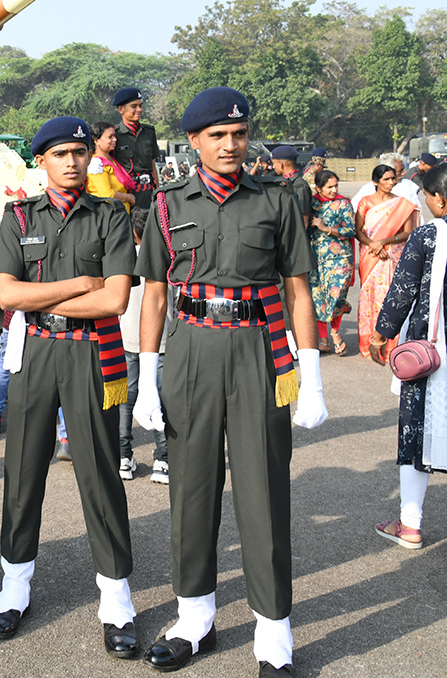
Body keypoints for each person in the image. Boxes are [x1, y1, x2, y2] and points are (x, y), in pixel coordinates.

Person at [135, 87, 327, 678]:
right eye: (216, 135)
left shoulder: (277, 199)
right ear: (194, 141)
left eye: (239, 134)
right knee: (191, 490)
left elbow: (297, 290)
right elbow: (155, 295)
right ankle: (194, 618)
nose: (230, 144)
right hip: (190, 348)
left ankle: (273, 631)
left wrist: (313, 376)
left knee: (263, 490)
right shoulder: (166, 205)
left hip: (257, 350)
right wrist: (148, 379)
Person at [0, 117, 138, 654]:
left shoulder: (110, 216)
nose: (71, 161)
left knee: (100, 472)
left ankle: (116, 598)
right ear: (41, 161)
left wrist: (43, 294)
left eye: (78, 151)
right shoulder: (18, 216)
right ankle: (14, 587)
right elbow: (7, 296)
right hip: (35, 351)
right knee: (23, 470)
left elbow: (114, 299)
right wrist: (78, 284)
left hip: (89, 351)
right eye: (59, 153)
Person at [366, 162, 447, 552]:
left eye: (427, 196)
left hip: (432, 354)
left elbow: (403, 290)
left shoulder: (428, 236)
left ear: (440, 200)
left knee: (417, 433)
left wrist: (380, 335)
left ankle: (410, 525)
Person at [119, 206, 171, 485]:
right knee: (161, 400)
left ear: (134, 232)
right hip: (160, 340)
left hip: (128, 337)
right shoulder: (166, 256)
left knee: (126, 400)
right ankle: (163, 459)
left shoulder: (125, 258)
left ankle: (123, 456)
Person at [356, 163, 418, 361]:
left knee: (391, 298)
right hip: (371, 256)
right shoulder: (366, 202)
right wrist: (374, 245)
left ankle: (392, 347)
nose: (391, 182)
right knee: (370, 297)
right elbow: (358, 231)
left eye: (393, 178)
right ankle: (369, 345)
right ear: (375, 181)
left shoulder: (401, 204)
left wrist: (384, 242)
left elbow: (407, 233)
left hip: (392, 255)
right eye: (387, 179)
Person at [308, 170, 355, 356]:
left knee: (337, 296)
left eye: (336, 186)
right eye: (329, 187)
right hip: (316, 257)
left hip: (340, 258)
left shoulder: (343, 203)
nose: (334, 190)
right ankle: (324, 341)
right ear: (318, 188)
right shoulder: (311, 203)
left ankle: (335, 333)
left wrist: (325, 228)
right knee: (318, 297)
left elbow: (351, 230)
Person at [111, 87, 159, 209]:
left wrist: (158, 192)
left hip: (148, 192)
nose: (139, 110)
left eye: (140, 106)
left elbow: (152, 164)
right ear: (121, 109)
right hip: (126, 193)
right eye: (134, 106)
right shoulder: (114, 134)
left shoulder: (149, 132)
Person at [86, 120, 137, 212]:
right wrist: (128, 197)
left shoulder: (111, 160)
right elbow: (107, 194)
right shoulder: (96, 164)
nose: (115, 139)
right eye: (110, 137)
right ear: (97, 141)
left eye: (114, 136)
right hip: (109, 215)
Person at [269, 145, 313, 229]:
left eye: (274, 163)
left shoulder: (299, 186)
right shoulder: (282, 182)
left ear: (281, 164)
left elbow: (303, 221)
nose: (273, 167)